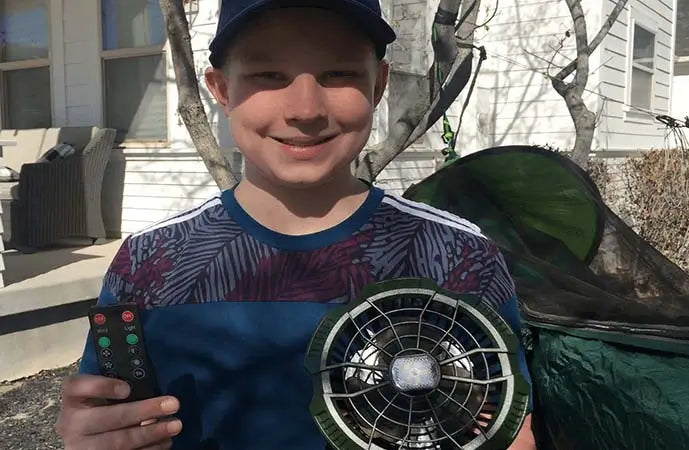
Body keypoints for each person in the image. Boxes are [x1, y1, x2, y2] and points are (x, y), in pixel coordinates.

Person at [55, 1, 536, 449]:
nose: (306, 109)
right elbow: (112, 413)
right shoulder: (149, 263)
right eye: (269, 74)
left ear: (378, 85)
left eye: (339, 73)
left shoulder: (457, 255)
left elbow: (507, 429)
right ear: (222, 90)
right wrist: (94, 435)